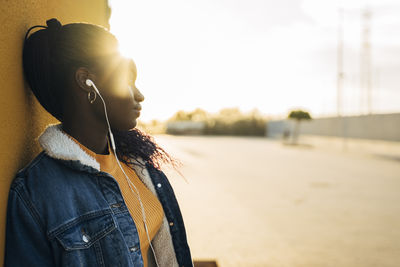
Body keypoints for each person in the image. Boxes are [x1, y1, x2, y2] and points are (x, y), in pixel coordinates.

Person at [4, 18, 193, 267]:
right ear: (86, 81)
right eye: (127, 79)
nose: (139, 95)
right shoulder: (35, 192)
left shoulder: (137, 165)